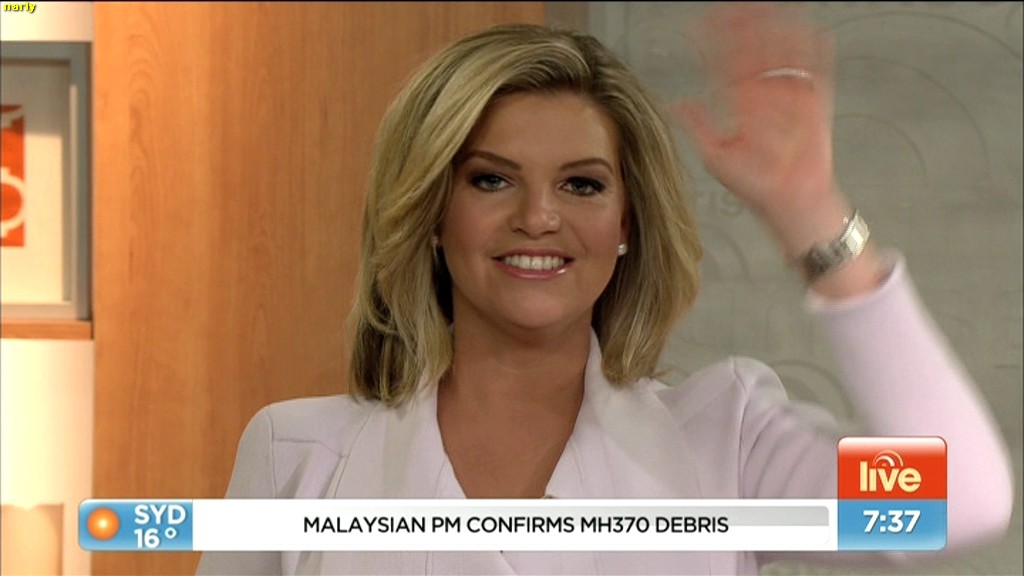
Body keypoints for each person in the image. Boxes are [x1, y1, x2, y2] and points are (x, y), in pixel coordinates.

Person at [197, 3, 1013, 574]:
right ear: (432, 213)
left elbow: (960, 498)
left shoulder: (724, 441)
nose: (538, 217)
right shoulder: (298, 454)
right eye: (491, 180)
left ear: (626, 222)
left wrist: (810, 213)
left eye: (582, 184)